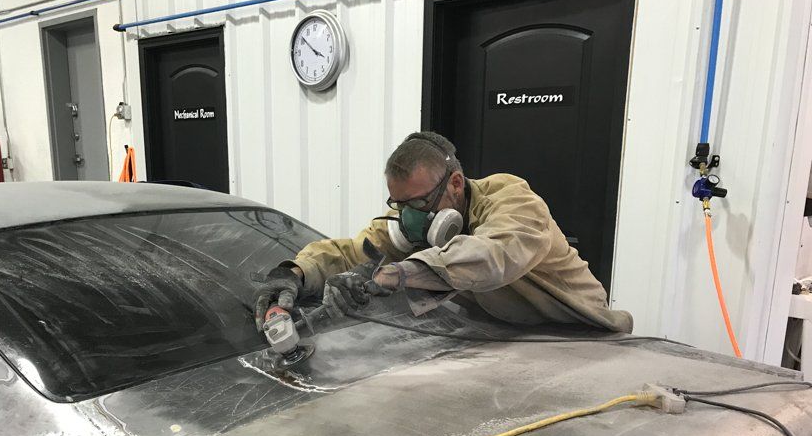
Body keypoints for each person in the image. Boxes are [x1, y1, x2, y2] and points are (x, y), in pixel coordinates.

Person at [253, 131, 632, 333]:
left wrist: (398, 273)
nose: (410, 219)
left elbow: (493, 256)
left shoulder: (512, 199)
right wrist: (294, 273)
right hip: (502, 335)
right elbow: (354, 249)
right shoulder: (410, 216)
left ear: (454, 182)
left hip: (577, 332)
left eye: (418, 204)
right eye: (399, 205)